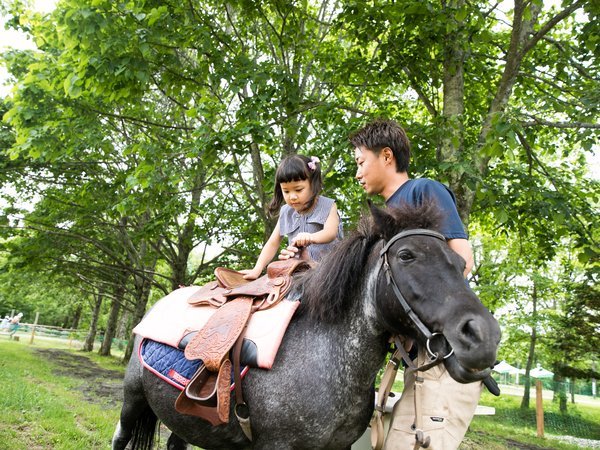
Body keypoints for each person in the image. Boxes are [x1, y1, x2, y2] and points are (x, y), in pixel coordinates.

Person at [350, 118, 480, 450]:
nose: (357, 173)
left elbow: (462, 259)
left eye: (361, 162)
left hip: (442, 351)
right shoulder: (386, 215)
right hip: (416, 355)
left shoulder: (424, 191)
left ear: (387, 156)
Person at [242, 154, 343, 280]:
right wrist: (257, 269)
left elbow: (331, 232)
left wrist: (310, 237)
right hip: (299, 275)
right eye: (286, 191)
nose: (292, 197)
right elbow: (273, 243)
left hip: (330, 273)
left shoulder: (328, 205)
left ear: (313, 184)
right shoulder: (286, 212)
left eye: (299, 190)